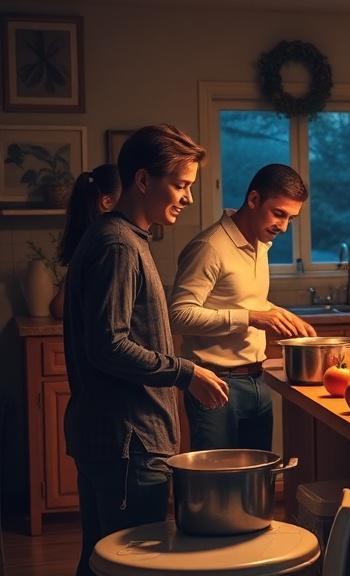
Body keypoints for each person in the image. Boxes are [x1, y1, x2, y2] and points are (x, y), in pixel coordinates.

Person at [62, 124, 230, 576]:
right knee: (136, 566)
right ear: (142, 180)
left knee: (99, 562)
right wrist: (185, 372)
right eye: (180, 185)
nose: (188, 197)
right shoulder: (118, 245)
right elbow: (108, 345)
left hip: (113, 440)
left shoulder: (120, 237)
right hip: (129, 443)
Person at [169, 163, 316, 451]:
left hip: (257, 382)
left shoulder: (260, 244)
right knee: (217, 477)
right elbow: (178, 315)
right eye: (279, 213)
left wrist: (276, 313)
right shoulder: (210, 247)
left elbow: (240, 300)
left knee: (258, 473)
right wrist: (252, 317)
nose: (284, 227)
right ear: (253, 199)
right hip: (216, 384)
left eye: (291, 218)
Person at [51, 164, 122, 318]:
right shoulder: (105, 247)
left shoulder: (87, 243)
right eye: (126, 196)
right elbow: (58, 306)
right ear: (107, 202)